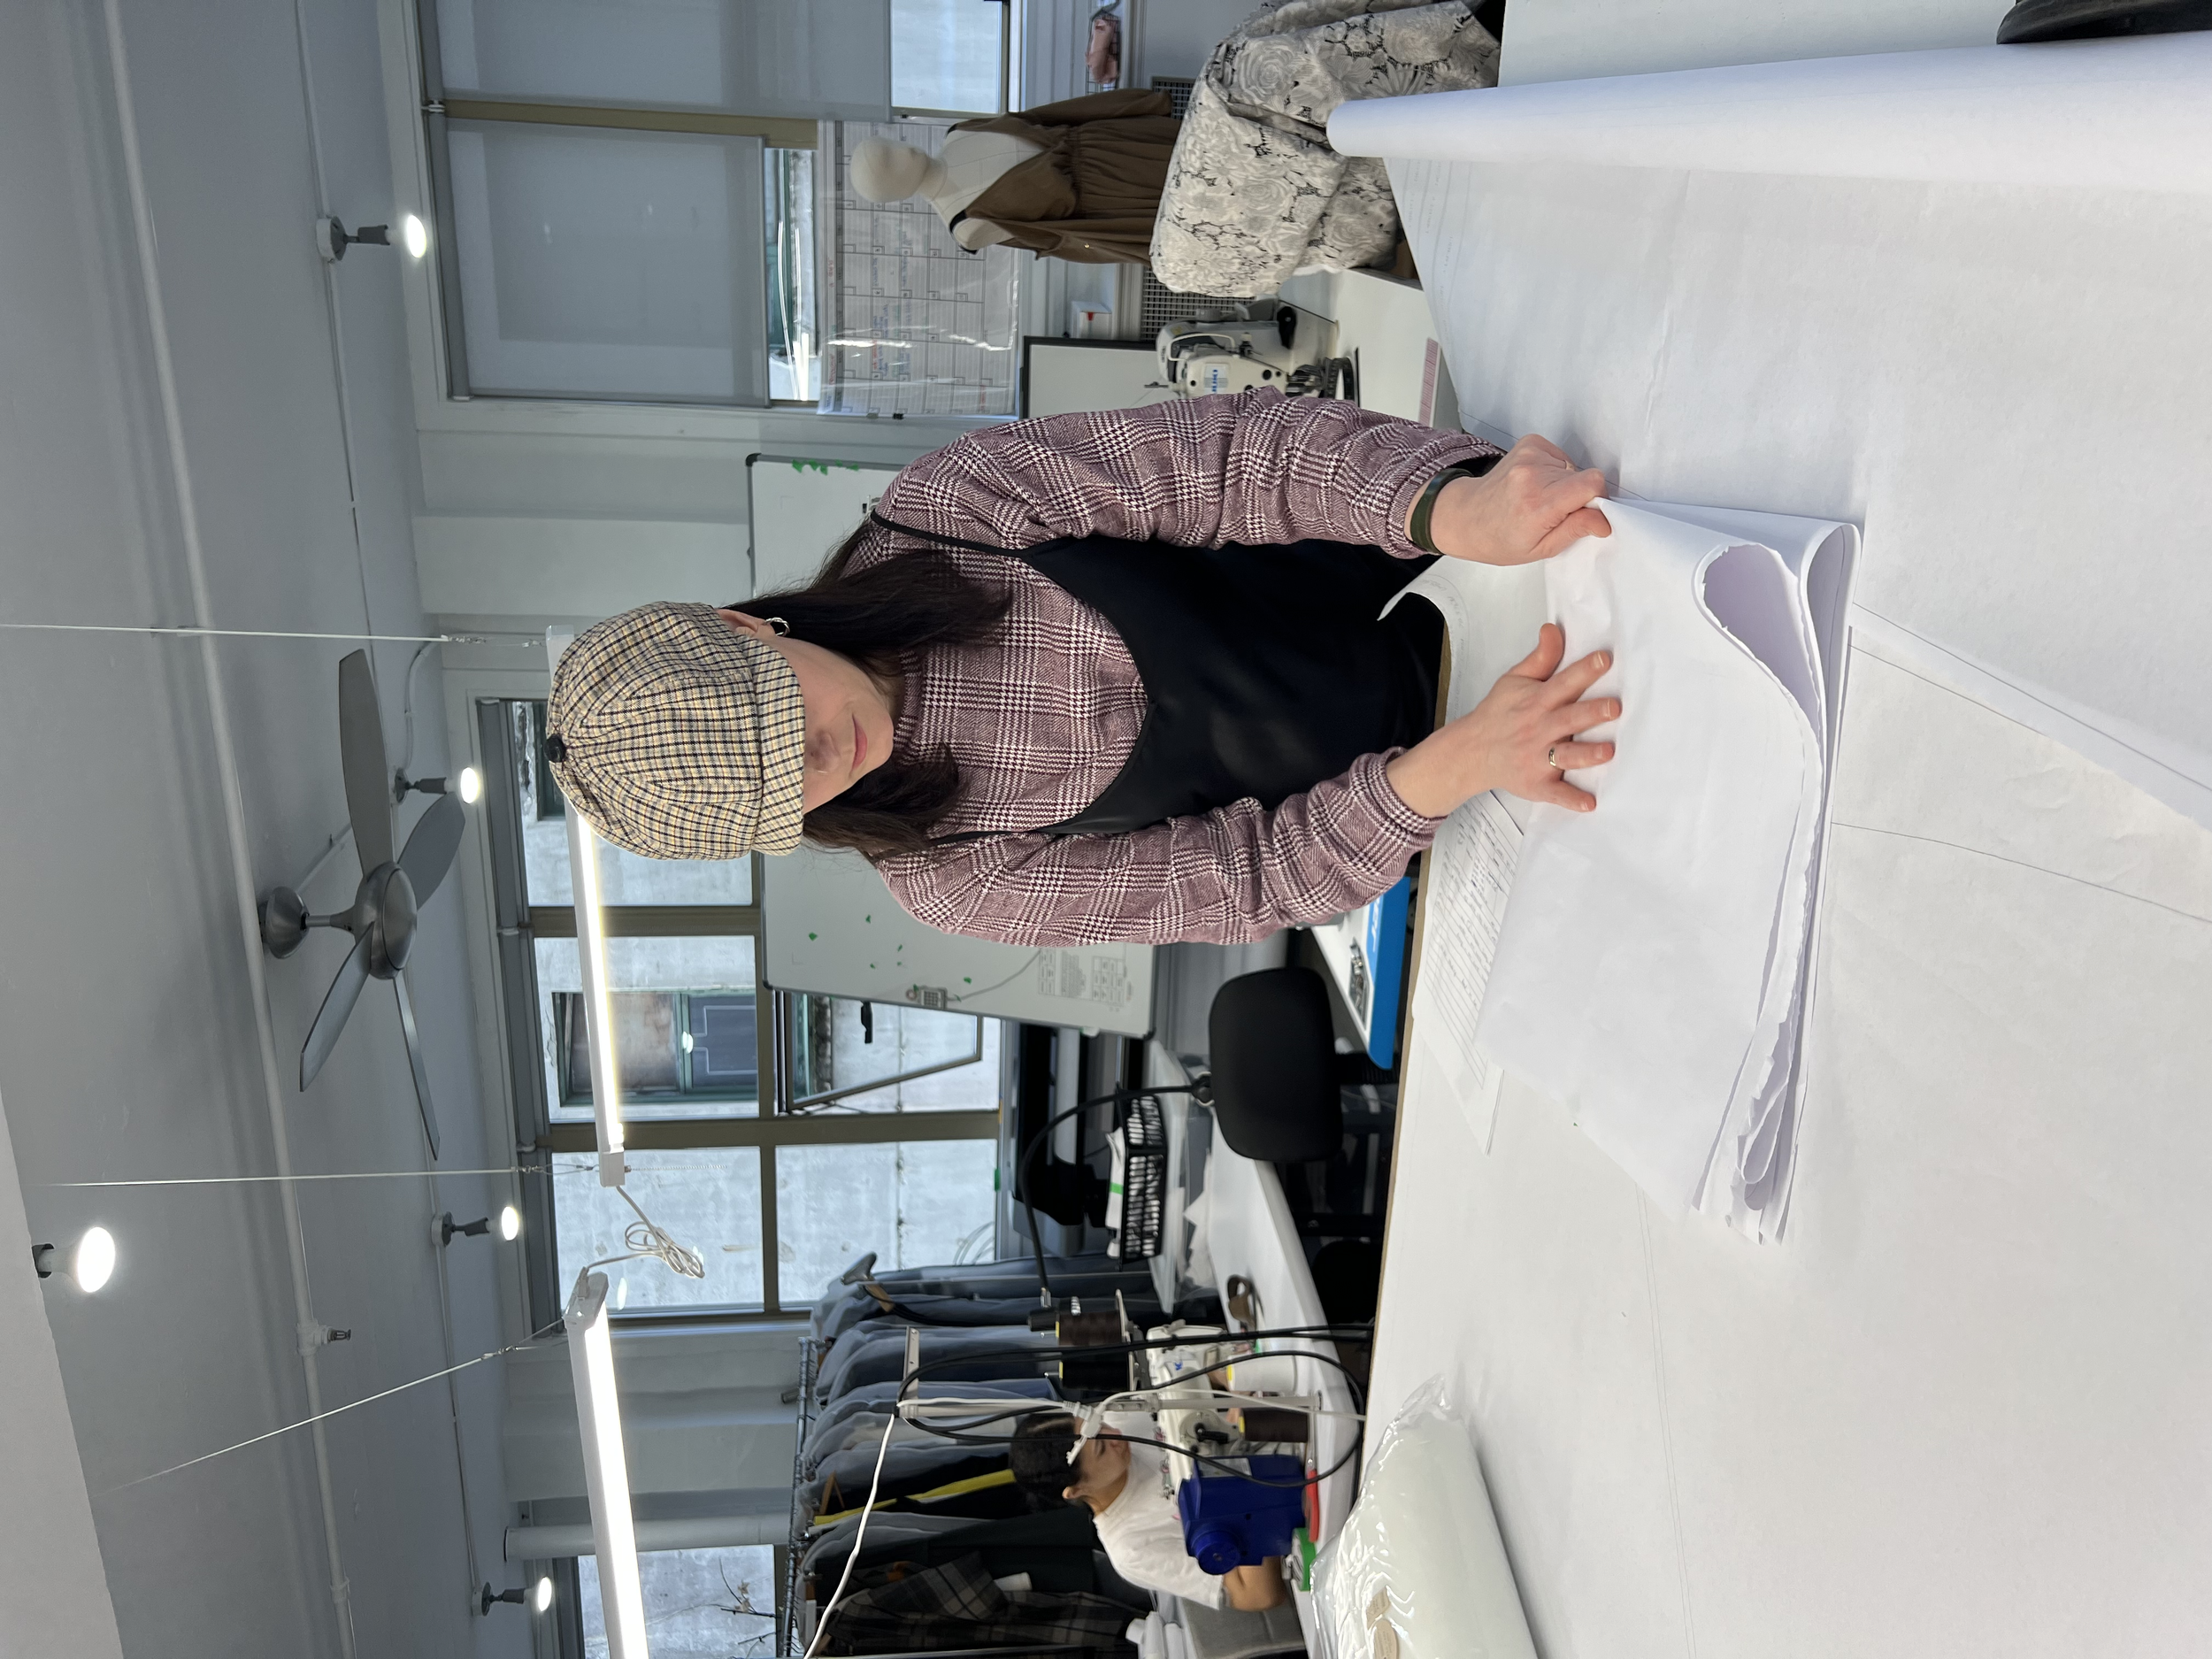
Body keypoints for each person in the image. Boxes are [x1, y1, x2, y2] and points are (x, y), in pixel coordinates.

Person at [544, 389, 1616, 947]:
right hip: (1489, 775)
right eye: (793, 790)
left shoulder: (948, 515)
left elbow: (1233, 461)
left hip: (1481, 559)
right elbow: (1244, 880)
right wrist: (1460, 758)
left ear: (745, 631)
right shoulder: (948, 875)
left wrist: (1446, 507)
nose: (824, 757)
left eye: (783, 725)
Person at [848, 88, 1179, 265]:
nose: (903, 151)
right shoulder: (966, 225)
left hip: (1119, 139)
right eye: (890, 161)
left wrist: (1129, 105)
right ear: (892, 190)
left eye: (891, 144)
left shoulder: (959, 131)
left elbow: (1047, 116)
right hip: (1123, 198)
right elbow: (1066, 240)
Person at [1008, 1413, 1288, 1613]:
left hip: (1283, 1437)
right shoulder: (1132, 1548)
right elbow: (1256, 1595)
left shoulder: (1122, 1419)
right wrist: (1247, 1500)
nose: (1116, 1434)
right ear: (1076, 1489)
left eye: (1099, 1422)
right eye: (1103, 1448)